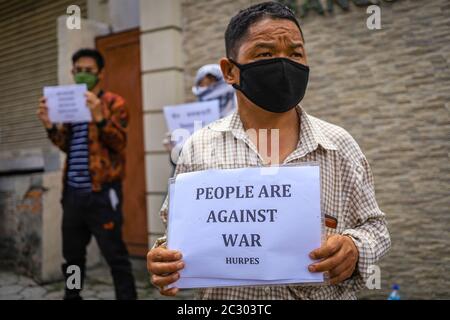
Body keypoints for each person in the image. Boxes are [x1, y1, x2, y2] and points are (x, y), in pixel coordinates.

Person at [147, 2, 390, 299]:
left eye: (295, 53)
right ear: (230, 71)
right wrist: (163, 259)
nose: (284, 64)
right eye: (265, 54)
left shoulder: (339, 145)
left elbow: (375, 228)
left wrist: (355, 248)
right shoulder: (198, 148)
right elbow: (174, 237)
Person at [37, 48, 137, 300]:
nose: (82, 75)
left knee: (115, 256)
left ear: (100, 73)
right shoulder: (70, 105)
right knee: (72, 256)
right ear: (72, 72)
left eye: (88, 71)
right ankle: (73, 296)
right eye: (78, 70)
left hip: (103, 193)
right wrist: (50, 126)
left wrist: (100, 118)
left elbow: (119, 143)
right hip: (73, 194)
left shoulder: (115, 103)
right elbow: (66, 145)